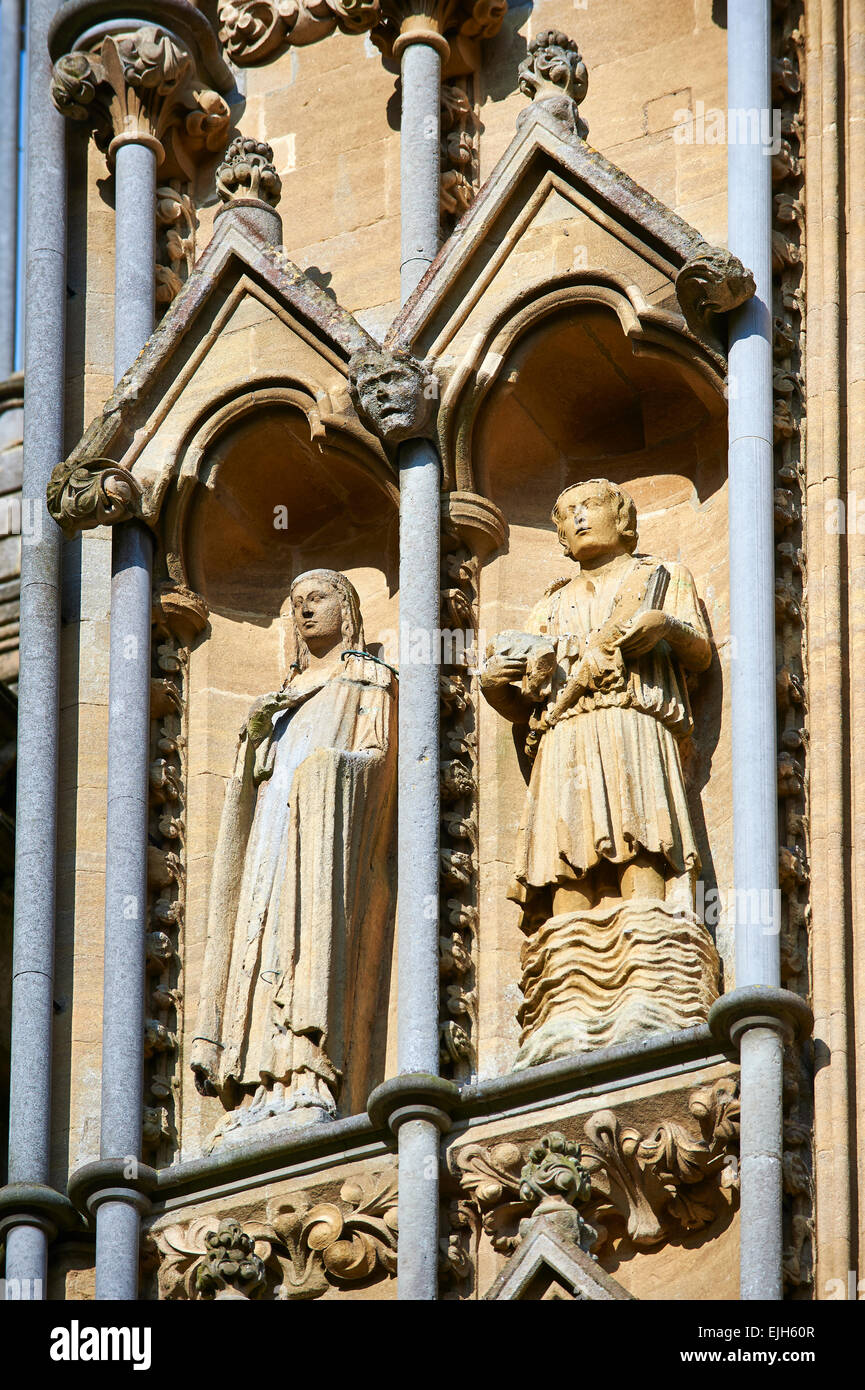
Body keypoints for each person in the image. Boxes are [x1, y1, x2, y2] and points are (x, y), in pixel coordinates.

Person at [480, 479, 716, 1063]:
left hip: (632, 723)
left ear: (624, 517)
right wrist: (498, 684)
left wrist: (663, 628)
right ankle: (566, 1004)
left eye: (590, 507)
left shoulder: (662, 578)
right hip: (565, 736)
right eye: (564, 515)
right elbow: (524, 701)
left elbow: (701, 653)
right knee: (567, 861)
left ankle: (654, 986)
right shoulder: (550, 604)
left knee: (640, 844)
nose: (577, 519)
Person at [191, 569, 396, 1142]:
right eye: (297, 603)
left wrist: (326, 772)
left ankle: (306, 1075)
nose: (306, 611)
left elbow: (376, 760)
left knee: (305, 945)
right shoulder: (278, 701)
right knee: (257, 955)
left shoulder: (367, 682)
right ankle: (258, 1084)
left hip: (323, 838)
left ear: (347, 609)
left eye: (319, 599)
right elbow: (253, 786)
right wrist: (256, 739)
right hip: (273, 843)